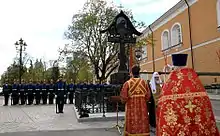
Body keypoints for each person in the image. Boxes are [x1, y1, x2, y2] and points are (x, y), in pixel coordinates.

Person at [156, 54, 219, 136]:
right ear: (186, 63)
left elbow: (162, 108)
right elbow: (206, 107)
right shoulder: (195, 81)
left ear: (174, 64)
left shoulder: (169, 84)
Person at [120, 65, 151, 136]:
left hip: (131, 108)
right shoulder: (144, 83)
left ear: (131, 73)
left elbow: (124, 97)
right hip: (142, 108)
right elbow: (148, 96)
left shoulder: (127, 83)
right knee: (143, 121)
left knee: (132, 122)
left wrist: (125, 100)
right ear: (139, 73)